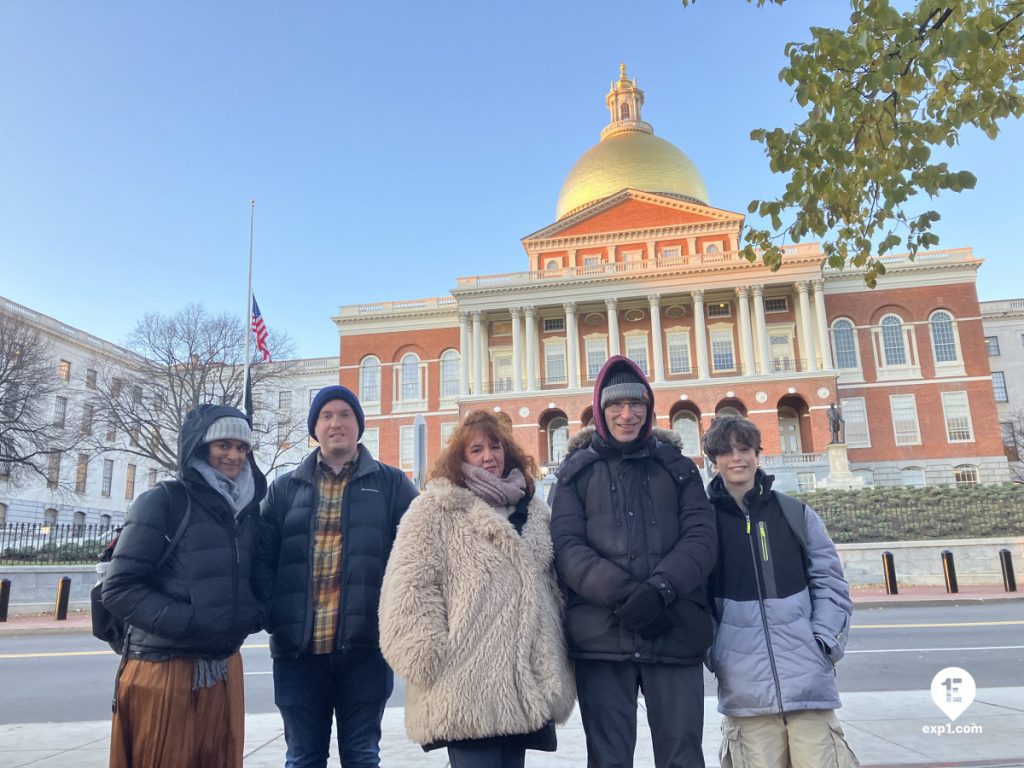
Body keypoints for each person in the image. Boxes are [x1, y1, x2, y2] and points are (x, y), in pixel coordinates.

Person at [379, 411, 576, 767]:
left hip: (522, 685)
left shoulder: (533, 511)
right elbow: (409, 587)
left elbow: (553, 586)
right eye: (477, 449)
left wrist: (555, 653)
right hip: (465, 686)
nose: (489, 456)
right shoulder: (434, 509)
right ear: (461, 458)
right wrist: (430, 658)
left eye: (496, 446)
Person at [550, 355, 717, 768]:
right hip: (603, 637)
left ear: (649, 408)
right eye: (616, 407)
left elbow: (701, 538)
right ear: (601, 412)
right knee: (608, 759)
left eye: (636, 405)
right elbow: (567, 547)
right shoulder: (576, 474)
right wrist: (625, 594)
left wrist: (660, 591)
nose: (628, 415)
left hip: (673, 628)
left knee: (682, 755)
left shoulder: (678, 469)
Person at [253, 385, 418, 768]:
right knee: (303, 757)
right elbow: (263, 559)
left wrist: (396, 618)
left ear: (359, 425)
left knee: (362, 756)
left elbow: (417, 558)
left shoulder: (392, 485)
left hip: (365, 650)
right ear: (315, 428)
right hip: (298, 652)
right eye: (326, 416)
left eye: (345, 414)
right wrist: (274, 614)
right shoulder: (284, 488)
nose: (336, 423)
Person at [102, 404, 267, 768]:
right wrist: (191, 622)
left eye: (242, 448)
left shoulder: (248, 512)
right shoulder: (163, 501)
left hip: (223, 667)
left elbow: (253, 578)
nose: (234, 455)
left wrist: (251, 616)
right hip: (165, 669)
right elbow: (119, 588)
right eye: (223, 444)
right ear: (199, 446)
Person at [702, 415, 858, 768]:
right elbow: (696, 598)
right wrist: (717, 652)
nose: (736, 458)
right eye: (726, 452)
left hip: (809, 681)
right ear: (714, 460)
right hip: (745, 688)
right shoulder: (702, 521)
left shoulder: (794, 513)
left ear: (759, 454)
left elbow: (830, 582)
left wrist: (825, 642)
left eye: (744, 449)